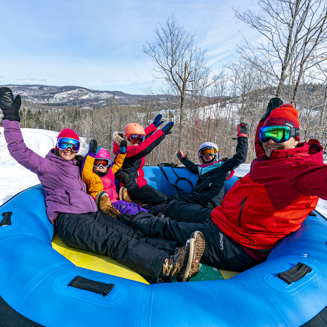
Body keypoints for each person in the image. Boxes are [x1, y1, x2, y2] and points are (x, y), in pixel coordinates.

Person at [0, 87, 205, 283]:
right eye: (64, 144)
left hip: (91, 212)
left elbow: (106, 165)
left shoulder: (76, 164)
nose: (69, 150)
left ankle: (177, 250)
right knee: (115, 241)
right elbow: (20, 151)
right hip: (71, 221)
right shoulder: (47, 166)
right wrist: (11, 118)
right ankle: (168, 266)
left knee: (130, 232)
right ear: (57, 146)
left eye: (73, 145)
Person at [117, 97, 327, 272]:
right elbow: (262, 143)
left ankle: (119, 220)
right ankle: (138, 209)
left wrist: (242, 138)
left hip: (239, 242)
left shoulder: (303, 169)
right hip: (223, 218)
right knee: (174, 205)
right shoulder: (270, 159)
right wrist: (261, 124)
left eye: (278, 134)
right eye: (266, 135)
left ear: (295, 137)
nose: (270, 141)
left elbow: (239, 157)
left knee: (165, 228)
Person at [149, 124, 248, 217]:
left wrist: (242, 136)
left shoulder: (222, 167)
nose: (207, 155)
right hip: (199, 199)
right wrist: (183, 158)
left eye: (210, 152)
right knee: (174, 199)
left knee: (175, 201)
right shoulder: (202, 169)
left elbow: (240, 157)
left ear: (216, 154)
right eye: (204, 152)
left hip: (209, 203)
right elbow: (192, 166)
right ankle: (150, 210)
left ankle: (151, 211)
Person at [113, 117, 173, 206]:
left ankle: (143, 206)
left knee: (164, 199)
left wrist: (152, 127)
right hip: (132, 188)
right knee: (163, 201)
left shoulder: (132, 143)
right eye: (134, 138)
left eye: (141, 138)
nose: (138, 141)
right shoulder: (126, 150)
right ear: (126, 137)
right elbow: (143, 148)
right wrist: (161, 133)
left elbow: (141, 138)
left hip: (140, 184)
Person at [81, 139, 149, 218]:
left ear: (108, 164)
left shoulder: (109, 172)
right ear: (93, 164)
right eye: (97, 164)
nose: (101, 167)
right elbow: (85, 171)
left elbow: (117, 164)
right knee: (127, 209)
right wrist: (91, 154)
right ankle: (145, 218)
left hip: (115, 200)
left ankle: (150, 213)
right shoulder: (91, 177)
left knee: (131, 205)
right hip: (106, 205)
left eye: (104, 163)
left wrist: (122, 152)